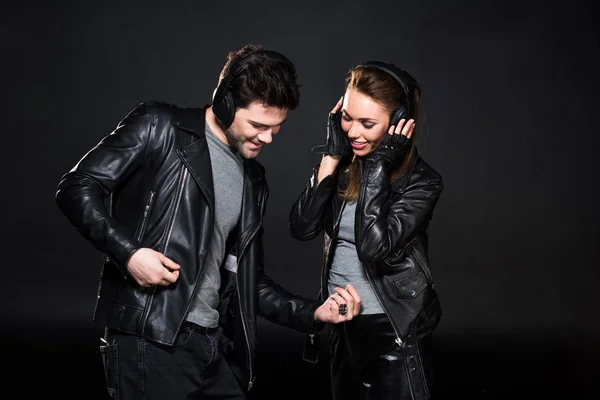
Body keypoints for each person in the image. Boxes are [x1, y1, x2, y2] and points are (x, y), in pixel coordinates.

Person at [54, 43, 361, 400]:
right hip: (150, 340)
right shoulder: (160, 127)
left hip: (213, 347)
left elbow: (248, 279)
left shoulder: (253, 178)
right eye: (258, 125)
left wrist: (312, 313)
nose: (267, 138)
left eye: (276, 128)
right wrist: (130, 254)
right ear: (225, 103)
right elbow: (76, 187)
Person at [289, 61, 444, 400]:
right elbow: (302, 227)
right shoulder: (344, 165)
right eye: (347, 117)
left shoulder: (422, 182)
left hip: (392, 331)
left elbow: (373, 247)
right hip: (342, 327)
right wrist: (331, 157)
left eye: (367, 123)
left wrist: (378, 165)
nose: (353, 132)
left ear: (399, 124)